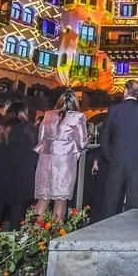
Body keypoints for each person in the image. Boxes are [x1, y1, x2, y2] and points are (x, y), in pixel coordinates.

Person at [94, 80, 138, 222]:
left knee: (111, 202)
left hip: (117, 161)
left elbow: (104, 138)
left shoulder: (114, 110)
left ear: (125, 91)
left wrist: (110, 157)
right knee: (134, 203)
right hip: (137, 162)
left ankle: (107, 232)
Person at [0, 102, 38, 230]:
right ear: (23, 113)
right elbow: (34, 154)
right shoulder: (28, 129)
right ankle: (15, 247)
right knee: (17, 217)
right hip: (19, 177)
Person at [34, 90, 88, 222]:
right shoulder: (78, 116)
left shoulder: (47, 115)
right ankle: (55, 234)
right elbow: (82, 141)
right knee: (61, 200)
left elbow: (40, 137)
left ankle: (33, 233)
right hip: (65, 160)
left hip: (46, 159)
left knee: (43, 198)